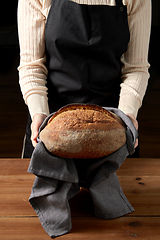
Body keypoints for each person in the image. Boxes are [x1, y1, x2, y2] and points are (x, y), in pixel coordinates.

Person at [18, 0, 151, 158]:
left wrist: (127, 116)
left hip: (113, 126)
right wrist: (39, 115)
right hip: (51, 124)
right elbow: (32, 66)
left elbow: (135, 68)